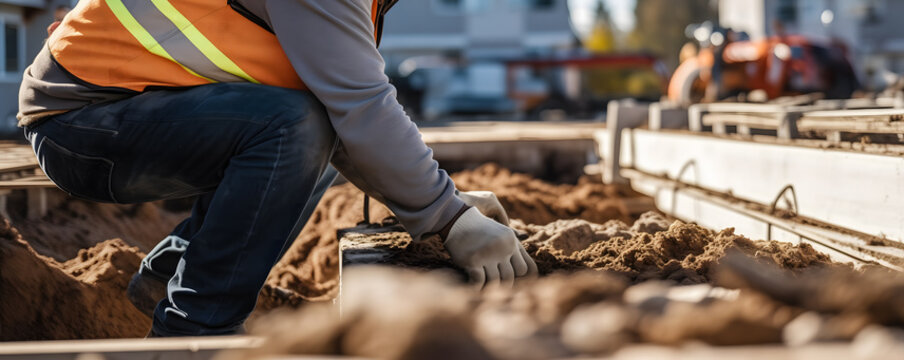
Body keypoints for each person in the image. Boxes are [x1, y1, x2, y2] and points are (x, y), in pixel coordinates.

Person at [18, 0, 537, 337]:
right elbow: (362, 106)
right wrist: (444, 216)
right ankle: (196, 332)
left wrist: (445, 206)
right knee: (296, 127)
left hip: (121, 108)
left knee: (310, 124)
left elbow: (350, 118)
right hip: (81, 122)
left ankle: (173, 274)